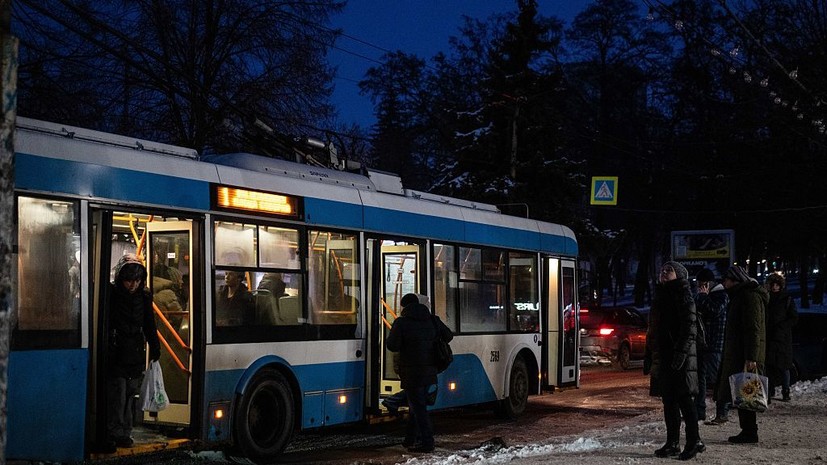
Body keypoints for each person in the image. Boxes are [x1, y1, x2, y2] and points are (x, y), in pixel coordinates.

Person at [644, 261, 704, 460]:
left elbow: (689, 329)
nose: (664, 272)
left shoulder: (683, 295)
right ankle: (672, 443)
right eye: (662, 270)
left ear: (679, 275)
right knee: (669, 402)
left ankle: (693, 441)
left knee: (685, 401)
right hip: (664, 356)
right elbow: (653, 330)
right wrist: (649, 355)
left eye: (669, 270)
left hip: (681, 358)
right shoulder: (661, 296)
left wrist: (680, 355)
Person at [105, 253, 161, 451]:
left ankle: (125, 432)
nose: (133, 285)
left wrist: (154, 346)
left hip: (135, 351)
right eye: (129, 280)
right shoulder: (111, 294)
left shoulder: (144, 296)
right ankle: (114, 432)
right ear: (121, 278)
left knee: (129, 395)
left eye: (137, 280)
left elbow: (149, 323)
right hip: (117, 351)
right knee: (117, 394)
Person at [386, 293, 453, 452]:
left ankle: (427, 442)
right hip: (430, 370)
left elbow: (392, 346)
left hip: (411, 372)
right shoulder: (432, 320)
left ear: (404, 307)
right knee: (415, 406)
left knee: (418, 408)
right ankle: (410, 439)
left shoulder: (401, 323)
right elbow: (448, 336)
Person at [716, 265, 768, 444]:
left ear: (736, 280)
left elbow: (753, 329)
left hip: (745, 354)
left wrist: (751, 356)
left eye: (727, 279)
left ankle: (749, 432)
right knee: (743, 390)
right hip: (741, 352)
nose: (724, 283)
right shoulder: (741, 296)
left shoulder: (748, 297)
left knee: (747, 391)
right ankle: (747, 430)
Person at [693, 268, 730, 425]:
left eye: (703, 284)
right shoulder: (705, 296)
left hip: (715, 344)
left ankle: (723, 411)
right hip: (703, 344)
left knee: (717, 380)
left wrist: (702, 297)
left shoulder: (721, 296)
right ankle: (699, 411)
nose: (700, 287)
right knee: (701, 380)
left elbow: (715, 311)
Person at [764, 272, 798, 402]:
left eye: (776, 284)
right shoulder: (767, 298)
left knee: (784, 367)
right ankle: (771, 391)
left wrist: (782, 327)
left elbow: (793, 317)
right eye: (772, 284)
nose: (774, 287)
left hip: (782, 338)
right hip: (771, 337)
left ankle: (786, 391)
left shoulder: (787, 299)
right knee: (770, 366)